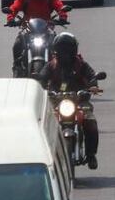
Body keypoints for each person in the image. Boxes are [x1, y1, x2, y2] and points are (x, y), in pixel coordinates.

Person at [40, 33, 102, 169]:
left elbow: (92, 75)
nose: (65, 52)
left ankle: (91, 155)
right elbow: (42, 78)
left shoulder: (81, 65)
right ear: (56, 49)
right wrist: (41, 87)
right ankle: (44, 155)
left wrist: (93, 86)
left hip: (80, 101)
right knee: (43, 125)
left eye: (68, 48)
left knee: (91, 123)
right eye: (62, 48)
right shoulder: (51, 65)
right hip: (56, 102)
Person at [7, 0, 68, 75]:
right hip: (28, 29)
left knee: (59, 44)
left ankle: (59, 67)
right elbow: (14, 7)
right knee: (17, 44)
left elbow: (60, 6)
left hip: (47, 29)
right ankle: (17, 66)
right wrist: (10, 18)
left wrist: (63, 16)